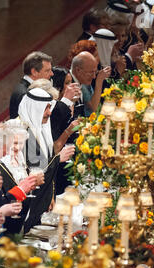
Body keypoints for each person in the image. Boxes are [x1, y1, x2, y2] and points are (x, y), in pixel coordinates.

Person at [18, 88, 74, 232]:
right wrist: (58, 158)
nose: (49, 112)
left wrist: (50, 195)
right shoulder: (23, 133)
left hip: (43, 197)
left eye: (50, 107)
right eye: (46, 108)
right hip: (27, 203)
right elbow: (36, 168)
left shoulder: (40, 128)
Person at [9, 51, 53, 119]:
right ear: (34, 72)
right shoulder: (25, 94)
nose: (52, 74)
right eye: (47, 71)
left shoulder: (27, 88)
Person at [70, 52, 111, 116]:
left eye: (95, 72)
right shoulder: (67, 83)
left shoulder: (81, 82)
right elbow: (93, 108)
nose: (94, 76)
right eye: (91, 72)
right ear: (78, 70)